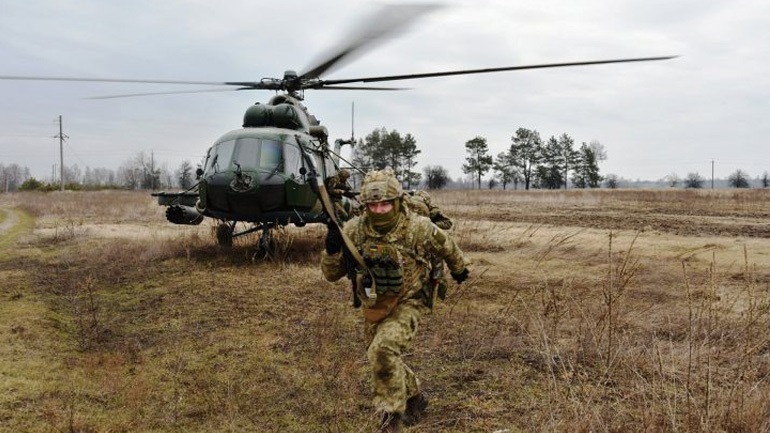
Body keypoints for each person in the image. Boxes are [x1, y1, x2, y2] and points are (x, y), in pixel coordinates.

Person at [321, 169, 469, 433]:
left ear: (398, 201)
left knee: (383, 350)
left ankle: (390, 420)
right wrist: (332, 249)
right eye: (373, 205)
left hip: (410, 301)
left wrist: (459, 269)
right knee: (380, 355)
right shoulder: (355, 229)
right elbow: (332, 275)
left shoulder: (418, 227)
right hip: (374, 304)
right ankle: (415, 397)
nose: (379, 210)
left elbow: (447, 245)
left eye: (385, 204)